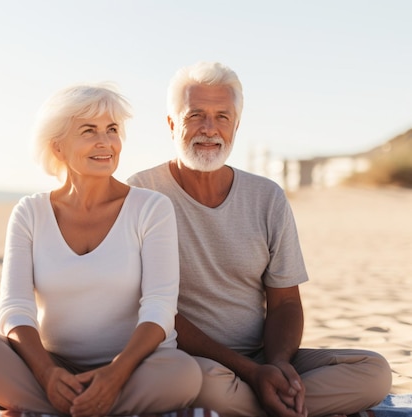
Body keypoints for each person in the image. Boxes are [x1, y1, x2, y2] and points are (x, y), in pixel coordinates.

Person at [127, 61, 392, 417]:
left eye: (223, 116)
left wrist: (278, 365)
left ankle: (267, 401)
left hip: (263, 355)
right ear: (172, 123)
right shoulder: (140, 194)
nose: (210, 129)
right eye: (196, 116)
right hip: (191, 360)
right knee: (201, 384)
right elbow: (153, 308)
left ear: (236, 125)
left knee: (374, 373)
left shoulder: (267, 196)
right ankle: (280, 404)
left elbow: (285, 304)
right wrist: (250, 372)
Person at [0, 83, 202, 417]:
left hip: (133, 368)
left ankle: (63, 408)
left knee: (184, 375)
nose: (105, 142)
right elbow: (15, 307)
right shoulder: (30, 212)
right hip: (52, 365)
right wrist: (47, 374)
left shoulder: (151, 208)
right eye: (88, 131)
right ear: (58, 147)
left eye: (112, 130)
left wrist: (115, 375)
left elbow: (160, 308)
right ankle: (82, 406)